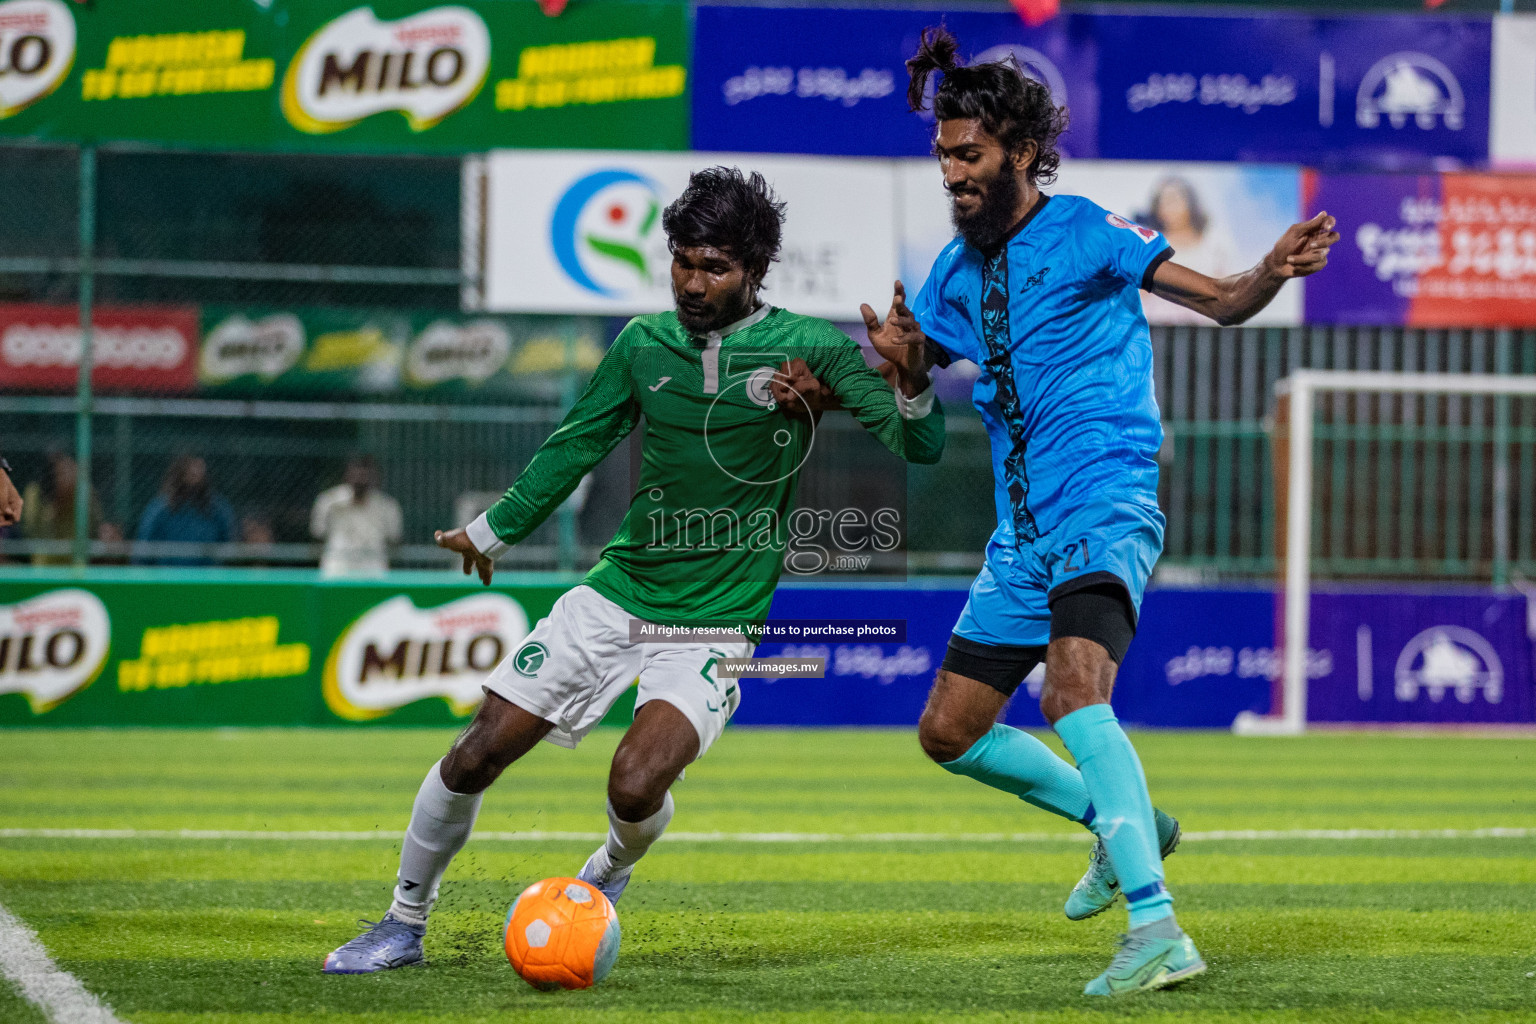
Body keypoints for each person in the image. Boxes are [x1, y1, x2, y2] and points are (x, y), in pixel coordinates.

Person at [322, 166, 944, 974]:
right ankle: (402, 925)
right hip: (616, 593)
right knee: (477, 752)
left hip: (715, 623)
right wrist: (490, 531)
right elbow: (577, 441)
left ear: (754, 269)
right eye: (683, 260)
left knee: (634, 783)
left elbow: (918, 447)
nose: (692, 281)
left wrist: (917, 379)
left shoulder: (812, 347)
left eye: (714, 266)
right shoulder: (642, 344)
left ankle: (606, 873)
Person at [868, 28, 1336, 997]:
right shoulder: (952, 275)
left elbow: (1218, 300)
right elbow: (920, 387)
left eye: (970, 155)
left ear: (1025, 154)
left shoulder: (1086, 228)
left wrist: (1269, 272)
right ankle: (1124, 821)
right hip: (1023, 532)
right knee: (949, 731)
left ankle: (1158, 926)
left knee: (1074, 693)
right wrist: (907, 363)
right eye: (944, 155)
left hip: (1106, 496)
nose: (953, 172)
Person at [1135, 177, 1238, 326]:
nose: (1167, 208)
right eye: (1162, 202)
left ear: (1190, 203)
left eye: (1173, 200)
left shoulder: (1214, 245)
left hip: (1205, 330)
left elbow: (1226, 294)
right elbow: (1137, 296)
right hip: (1156, 330)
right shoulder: (1150, 246)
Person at [310, 455, 403, 577]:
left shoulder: (387, 506)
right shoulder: (329, 501)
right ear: (347, 475)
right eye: (356, 473)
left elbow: (394, 539)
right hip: (337, 569)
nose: (361, 479)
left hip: (373, 570)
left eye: (365, 474)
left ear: (375, 477)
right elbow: (318, 534)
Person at [134, 455, 237, 566]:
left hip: (207, 577)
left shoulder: (217, 509)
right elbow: (144, 548)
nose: (195, 474)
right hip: (167, 577)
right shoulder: (160, 509)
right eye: (191, 471)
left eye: (199, 470)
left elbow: (230, 544)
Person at [21, 450, 106, 566]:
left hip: (77, 566)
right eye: (61, 471)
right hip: (44, 566)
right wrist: (57, 506)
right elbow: (33, 532)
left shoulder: (84, 493)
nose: (68, 475)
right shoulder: (35, 493)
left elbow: (94, 528)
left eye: (70, 469)